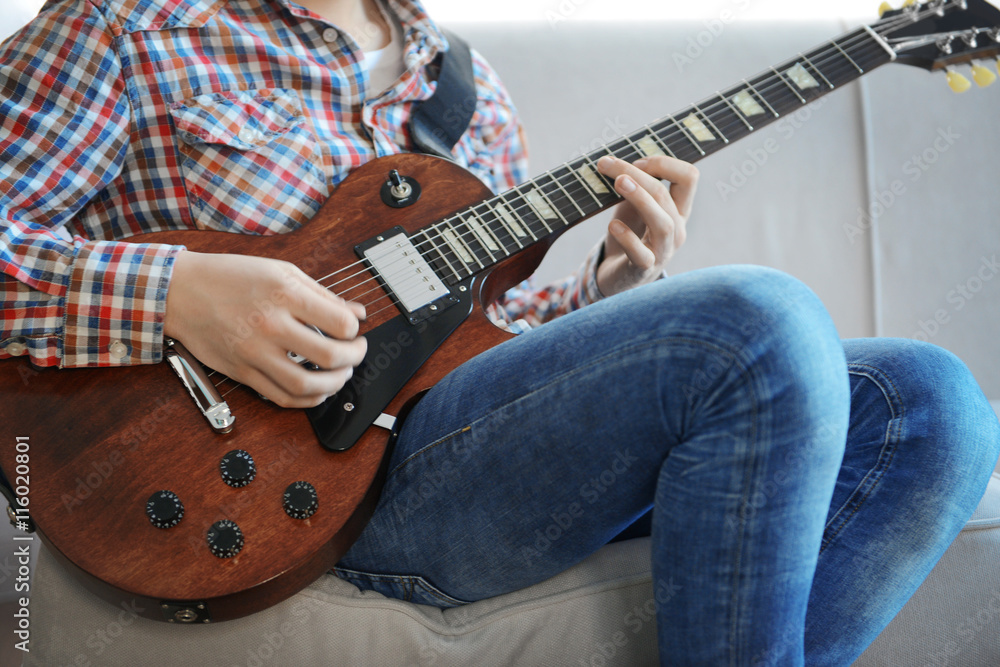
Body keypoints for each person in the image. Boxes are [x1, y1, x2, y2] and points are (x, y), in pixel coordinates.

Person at [1, 0, 998, 664]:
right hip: (268, 480)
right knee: (759, 319)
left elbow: (485, 343)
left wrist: (613, 289)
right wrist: (175, 291)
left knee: (931, 403)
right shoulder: (128, 26)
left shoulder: (465, 94)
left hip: (447, 449)